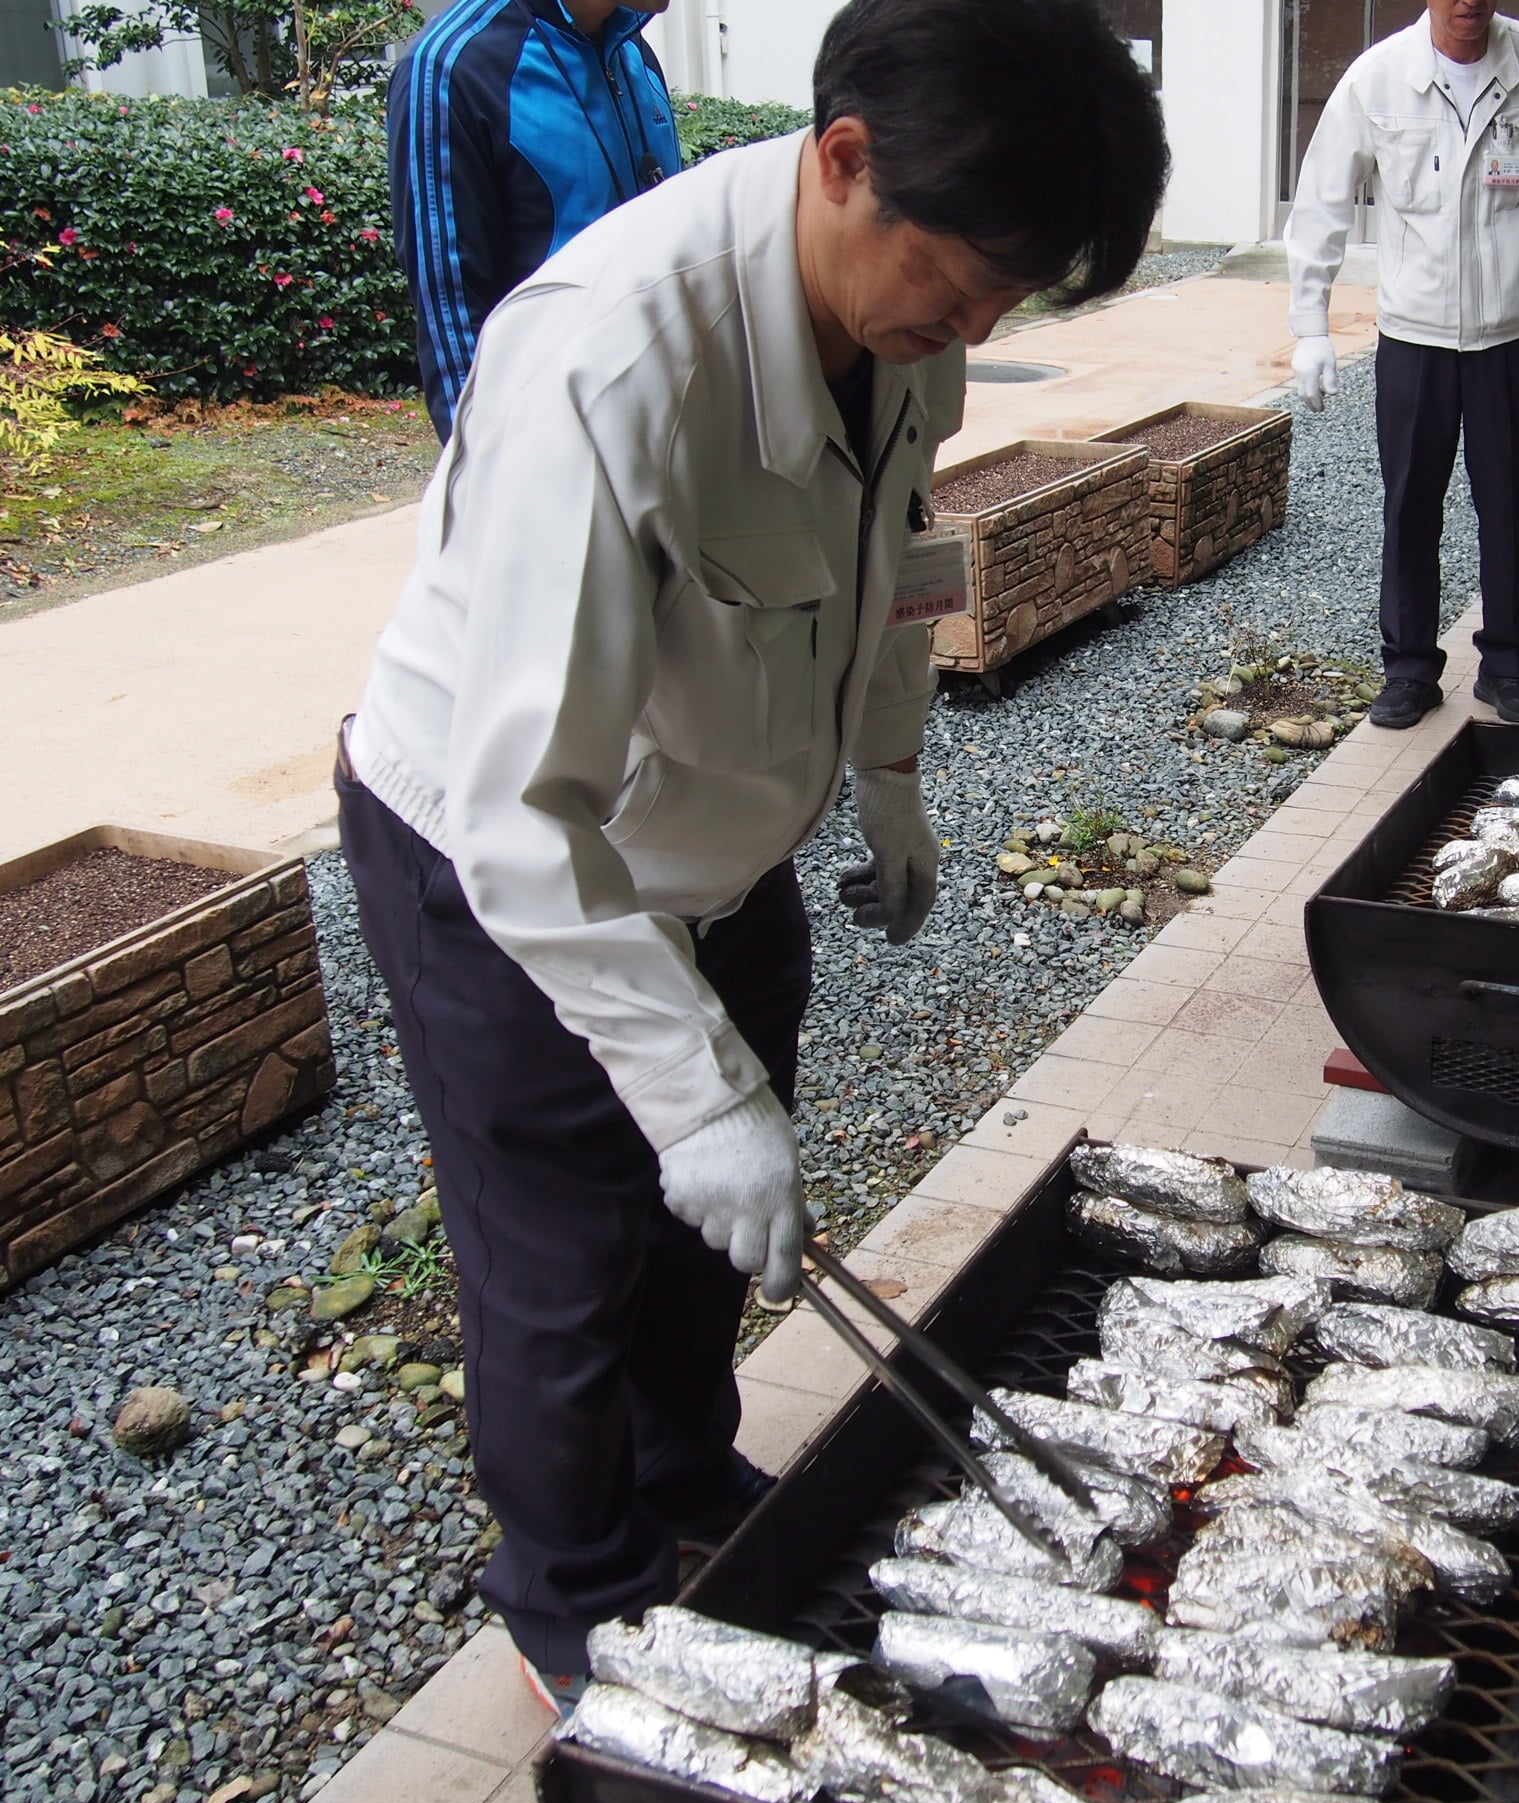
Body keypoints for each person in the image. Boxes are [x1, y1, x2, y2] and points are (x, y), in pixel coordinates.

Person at [338, 0, 1168, 1710]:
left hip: (716, 818)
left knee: (701, 1227)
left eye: (1016, 296)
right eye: (973, 280)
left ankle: (684, 1472)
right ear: (847, 161)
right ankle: (577, 1597)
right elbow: (522, 808)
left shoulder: (906, 306)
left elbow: (889, 554)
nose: (978, 328)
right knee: (568, 1250)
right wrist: (693, 1100)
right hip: (506, 855)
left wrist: (886, 772)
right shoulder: (611, 360)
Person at [1285, 0, 1519, 729]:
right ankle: (1408, 670)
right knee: (1409, 506)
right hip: (1415, 338)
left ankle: (1505, 664)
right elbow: (1320, 206)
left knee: (1509, 502)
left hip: (1514, 336)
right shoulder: (1378, 80)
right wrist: (1310, 326)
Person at [388, 0, 686, 439]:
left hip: (668, 438)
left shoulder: (632, 51)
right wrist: (495, 489)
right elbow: (452, 328)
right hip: (554, 457)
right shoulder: (449, 69)